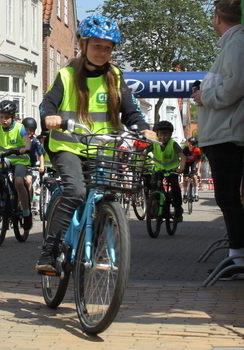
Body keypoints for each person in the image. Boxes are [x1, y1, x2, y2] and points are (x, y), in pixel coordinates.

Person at [35, 15, 155, 275]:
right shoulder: (66, 75)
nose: (103, 52)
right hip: (68, 145)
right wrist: (50, 116)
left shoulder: (115, 76)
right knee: (76, 190)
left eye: (108, 47)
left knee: (106, 192)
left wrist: (144, 129)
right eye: (98, 46)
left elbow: (131, 110)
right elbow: (48, 103)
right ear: (83, 44)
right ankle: (50, 251)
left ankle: (99, 232)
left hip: (102, 146)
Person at [191, 0, 244, 270]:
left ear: (217, 17)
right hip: (224, 133)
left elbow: (235, 86)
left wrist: (205, 96)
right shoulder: (232, 44)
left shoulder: (236, 44)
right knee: (228, 197)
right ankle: (237, 254)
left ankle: (238, 257)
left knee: (227, 197)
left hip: (228, 134)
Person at [0, 101, 33, 230]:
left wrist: (26, 148)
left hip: (20, 159)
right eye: (1, 117)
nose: (3, 120)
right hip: (5, 158)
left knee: (19, 182)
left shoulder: (19, 127)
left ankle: (26, 214)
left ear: (13, 117)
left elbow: (27, 140)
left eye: (7, 117)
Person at [145, 121, 186, 222]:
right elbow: (144, 152)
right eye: (161, 134)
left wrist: (181, 168)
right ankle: (155, 207)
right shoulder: (154, 144)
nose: (163, 137)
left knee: (175, 188)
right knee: (154, 187)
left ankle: (178, 210)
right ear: (157, 134)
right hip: (158, 169)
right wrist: (140, 166)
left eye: (166, 134)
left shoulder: (173, 144)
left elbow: (183, 157)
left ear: (170, 134)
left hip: (172, 170)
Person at [182, 136, 202, 200]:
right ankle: (185, 194)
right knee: (185, 178)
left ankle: (196, 194)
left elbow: (199, 162)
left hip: (193, 162)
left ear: (195, 145)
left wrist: (198, 172)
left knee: (195, 177)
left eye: (192, 144)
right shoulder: (185, 150)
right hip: (186, 163)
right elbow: (182, 160)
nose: (190, 145)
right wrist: (181, 169)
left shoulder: (197, 150)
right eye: (189, 143)